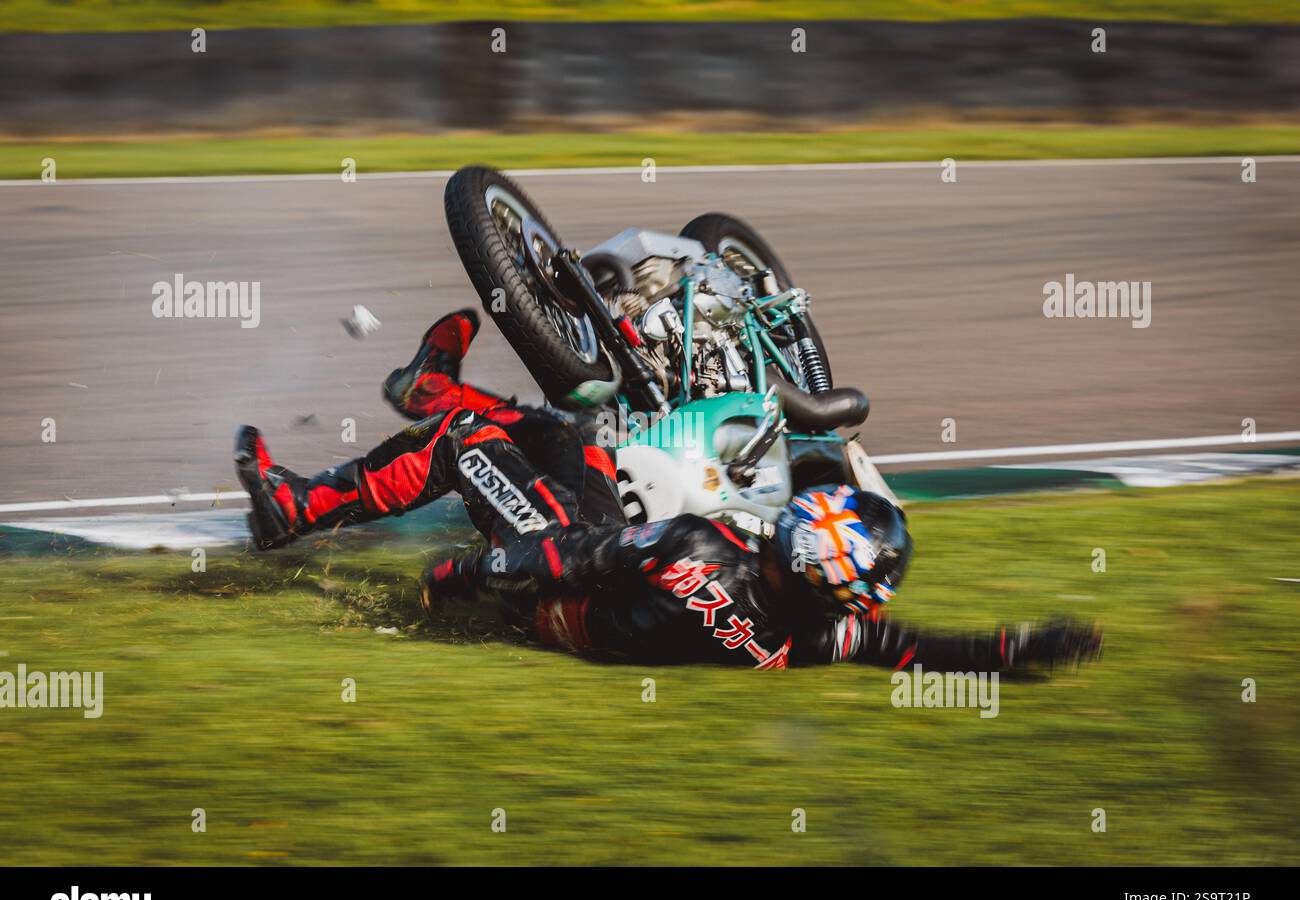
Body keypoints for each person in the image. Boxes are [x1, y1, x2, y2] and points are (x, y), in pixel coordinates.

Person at [236, 310, 1102, 672]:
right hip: (597, 604)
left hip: (547, 593)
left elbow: (570, 550)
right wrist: (1019, 651)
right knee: (578, 437)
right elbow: (921, 650)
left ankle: (298, 505)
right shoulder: (819, 640)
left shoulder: (699, 548)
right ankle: (438, 394)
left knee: (473, 451)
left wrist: (459, 579)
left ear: (799, 544)